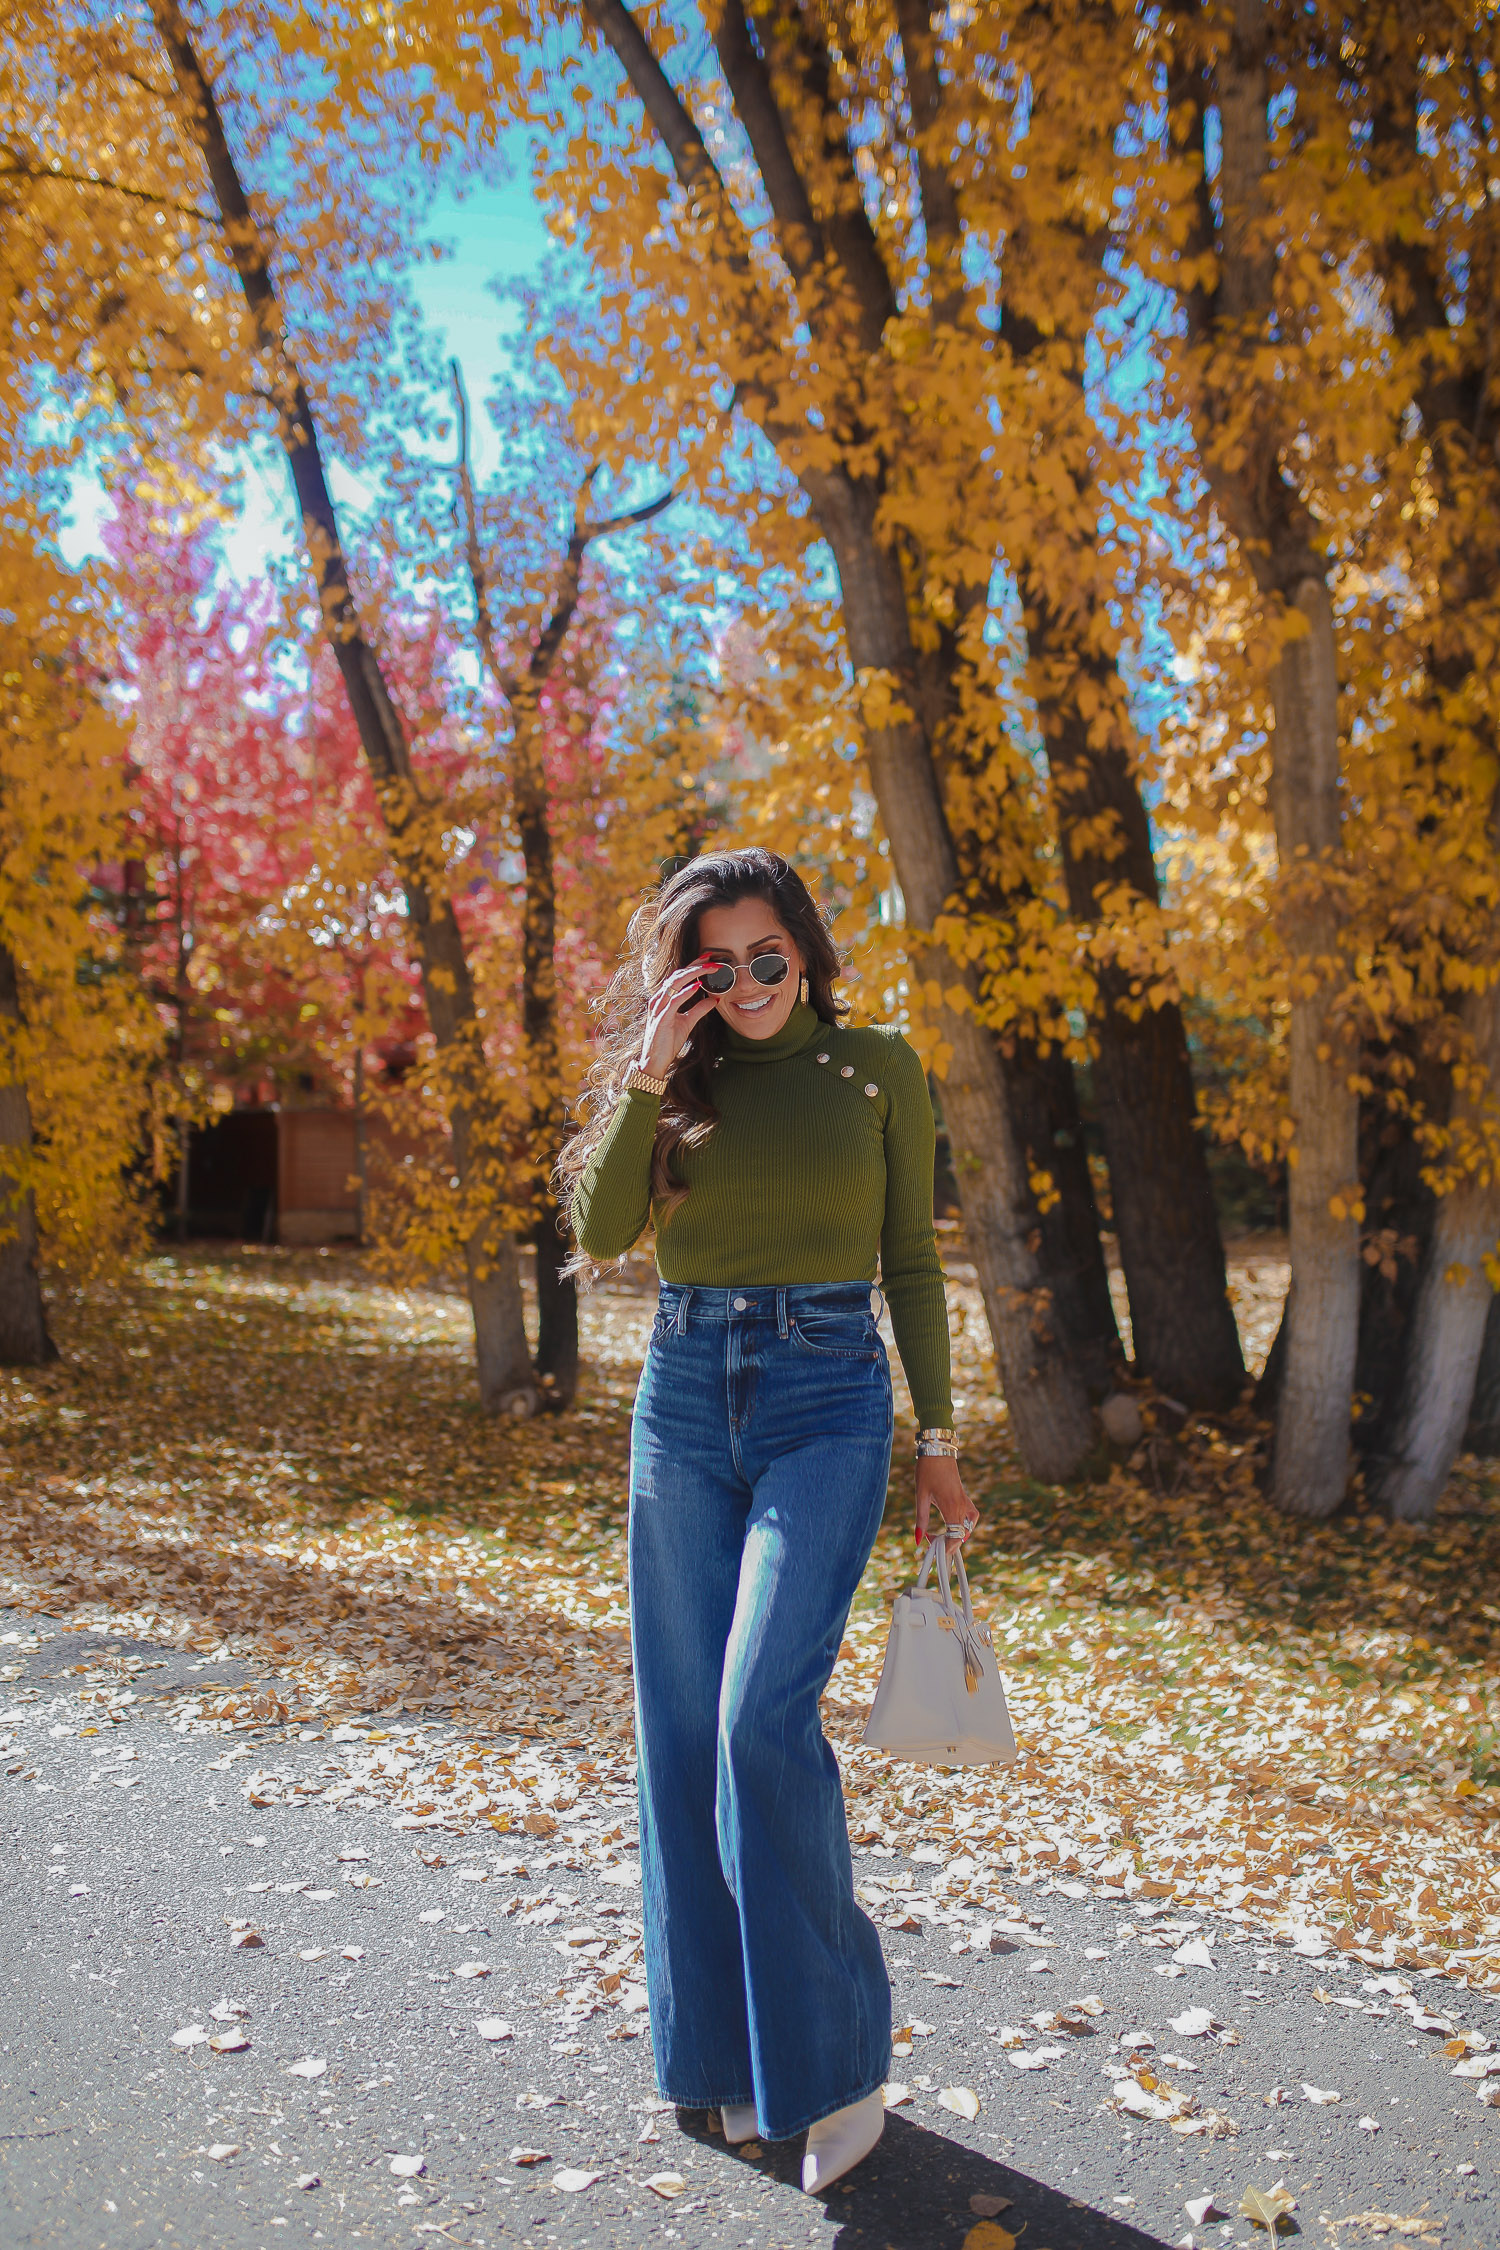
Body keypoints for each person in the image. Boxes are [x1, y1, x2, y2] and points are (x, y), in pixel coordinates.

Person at [556, 847, 979, 2194]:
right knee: (678, 1732)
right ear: (686, 972)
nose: (743, 982)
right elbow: (605, 1230)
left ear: (804, 949)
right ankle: (722, 2055)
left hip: (827, 1398)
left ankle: (835, 2059)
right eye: (714, 962)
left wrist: (941, 1441)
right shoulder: (678, 1087)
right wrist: (642, 1068)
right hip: (682, 1398)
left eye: (766, 956)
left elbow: (909, 1256)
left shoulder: (880, 1073)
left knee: (754, 1716)